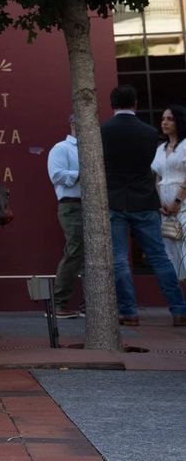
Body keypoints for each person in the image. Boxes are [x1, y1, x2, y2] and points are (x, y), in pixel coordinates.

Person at [101, 84, 186, 326]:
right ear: (135, 104)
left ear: (112, 104)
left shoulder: (102, 131)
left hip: (115, 199)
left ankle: (128, 311)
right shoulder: (149, 133)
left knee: (119, 258)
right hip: (145, 200)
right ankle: (179, 309)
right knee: (159, 256)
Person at [47, 114, 84, 318]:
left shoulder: (93, 149)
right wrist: (81, 173)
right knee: (75, 251)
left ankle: (89, 304)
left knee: (91, 256)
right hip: (71, 205)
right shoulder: (61, 148)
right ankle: (59, 303)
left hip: (91, 206)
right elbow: (56, 175)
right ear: (72, 123)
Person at [152, 105, 186, 282]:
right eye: (163, 118)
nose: (164, 122)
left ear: (179, 121)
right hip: (166, 211)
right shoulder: (160, 149)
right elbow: (158, 176)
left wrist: (177, 201)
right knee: (173, 255)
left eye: (169, 119)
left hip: (183, 205)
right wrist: (162, 204)